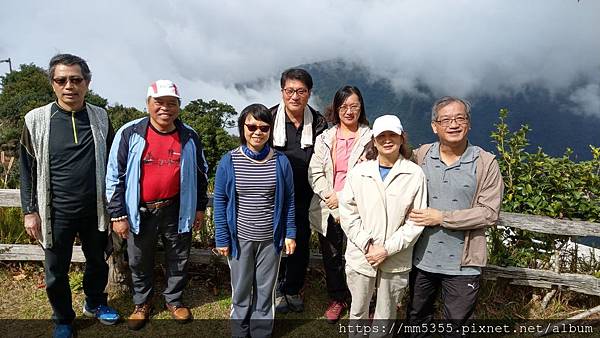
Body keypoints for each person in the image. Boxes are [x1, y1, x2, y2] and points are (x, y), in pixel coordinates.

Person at [19, 53, 119, 337]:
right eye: (61, 80)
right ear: (53, 84)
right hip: (55, 212)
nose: (69, 86)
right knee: (55, 272)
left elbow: (112, 164)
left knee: (98, 262)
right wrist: (29, 211)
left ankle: (95, 303)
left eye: (76, 80)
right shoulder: (36, 119)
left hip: (95, 209)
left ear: (87, 82)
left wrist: (115, 207)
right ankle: (62, 319)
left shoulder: (100, 117)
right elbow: (26, 169)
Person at [105, 80, 209, 330]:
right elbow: (114, 175)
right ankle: (142, 303)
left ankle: (174, 300)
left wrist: (199, 208)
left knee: (179, 257)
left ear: (179, 106)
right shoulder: (131, 133)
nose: (165, 108)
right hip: (140, 210)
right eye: (159, 102)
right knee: (139, 259)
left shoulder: (189, 136)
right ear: (148, 104)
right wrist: (118, 214)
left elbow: (201, 173)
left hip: (176, 208)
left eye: (171, 103)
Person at [406, 96, 504, 331]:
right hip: (421, 258)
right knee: (417, 318)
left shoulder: (485, 162)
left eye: (460, 118)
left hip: (464, 264)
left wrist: (442, 218)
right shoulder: (421, 155)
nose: (453, 124)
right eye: (446, 119)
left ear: (469, 123)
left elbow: (489, 213)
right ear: (434, 126)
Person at [213, 103, 297, 338]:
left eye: (263, 127)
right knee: (240, 290)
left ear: (270, 131)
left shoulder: (281, 162)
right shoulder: (229, 161)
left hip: (271, 239)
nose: (257, 132)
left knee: (265, 290)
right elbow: (220, 200)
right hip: (239, 238)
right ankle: (240, 331)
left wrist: (290, 233)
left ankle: (261, 332)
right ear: (243, 128)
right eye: (251, 126)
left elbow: (289, 200)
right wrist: (222, 237)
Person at [339, 115, 427, 334]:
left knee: (387, 313)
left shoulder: (414, 174)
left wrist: (387, 249)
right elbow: (348, 212)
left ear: (401, 138)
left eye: (393, 135)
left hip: (395, 257)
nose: (387, 140)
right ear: (374, 141)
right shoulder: (359, 173)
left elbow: (415, 221)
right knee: (358, 310)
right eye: (382, 136)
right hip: (362, 254)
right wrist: (368, 245)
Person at [308, 86, 372, 323]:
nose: (349, 111)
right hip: (329, 206)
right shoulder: (325, 138)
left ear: (361, 108)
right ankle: (338, 298)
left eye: (354, 106)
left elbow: (371, 173)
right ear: (335, 109)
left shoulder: (370, 138)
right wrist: (329, 195)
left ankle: (362, 300)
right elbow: (314, 171)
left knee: (361, 256)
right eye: (343, 106)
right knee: (332, 256)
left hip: (360, 208)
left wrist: (343, 196)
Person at [270, 68, 328, 313]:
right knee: (271, 240)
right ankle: (272, 289)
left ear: (309, 93)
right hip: (271, 194)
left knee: (300, 241)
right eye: (290, 91)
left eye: (301, 91)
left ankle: (292, 288)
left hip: (304, 194)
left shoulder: (318, 122)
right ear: (282, 92)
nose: (295, 96)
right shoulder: (269, 117)